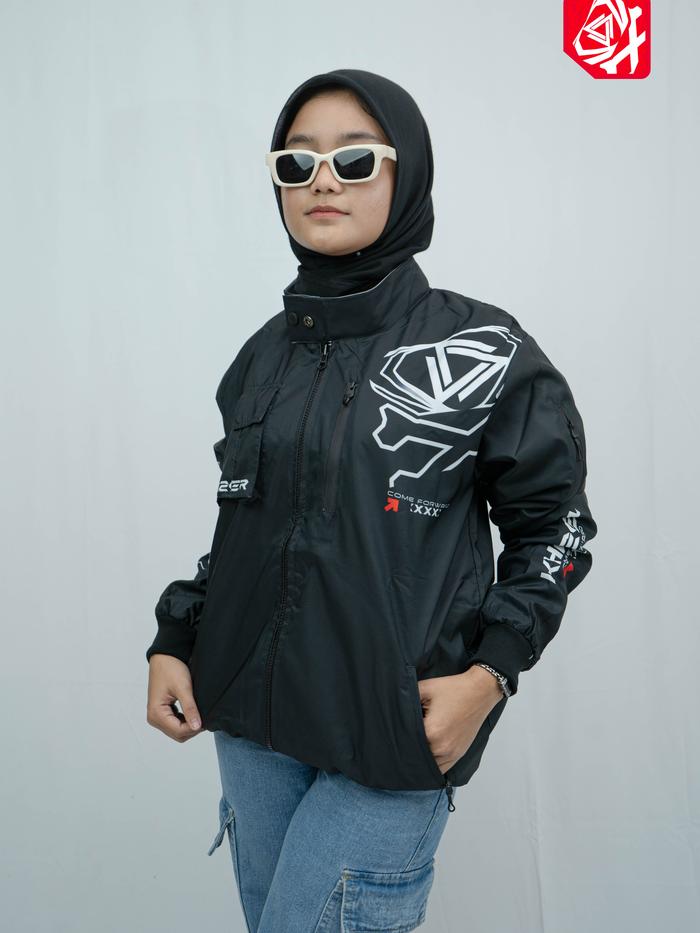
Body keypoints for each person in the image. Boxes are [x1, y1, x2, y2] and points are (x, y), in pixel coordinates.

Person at [146, 68, 597, 932]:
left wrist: (490, 674)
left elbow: (558, 528)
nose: (323, 180)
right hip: (249, 727)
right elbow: (249, 528)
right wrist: (179, 634)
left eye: (355, 159)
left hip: (391, 737)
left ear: (407, 173)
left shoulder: (485, 350)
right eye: (296, 162)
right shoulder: (260, 359)